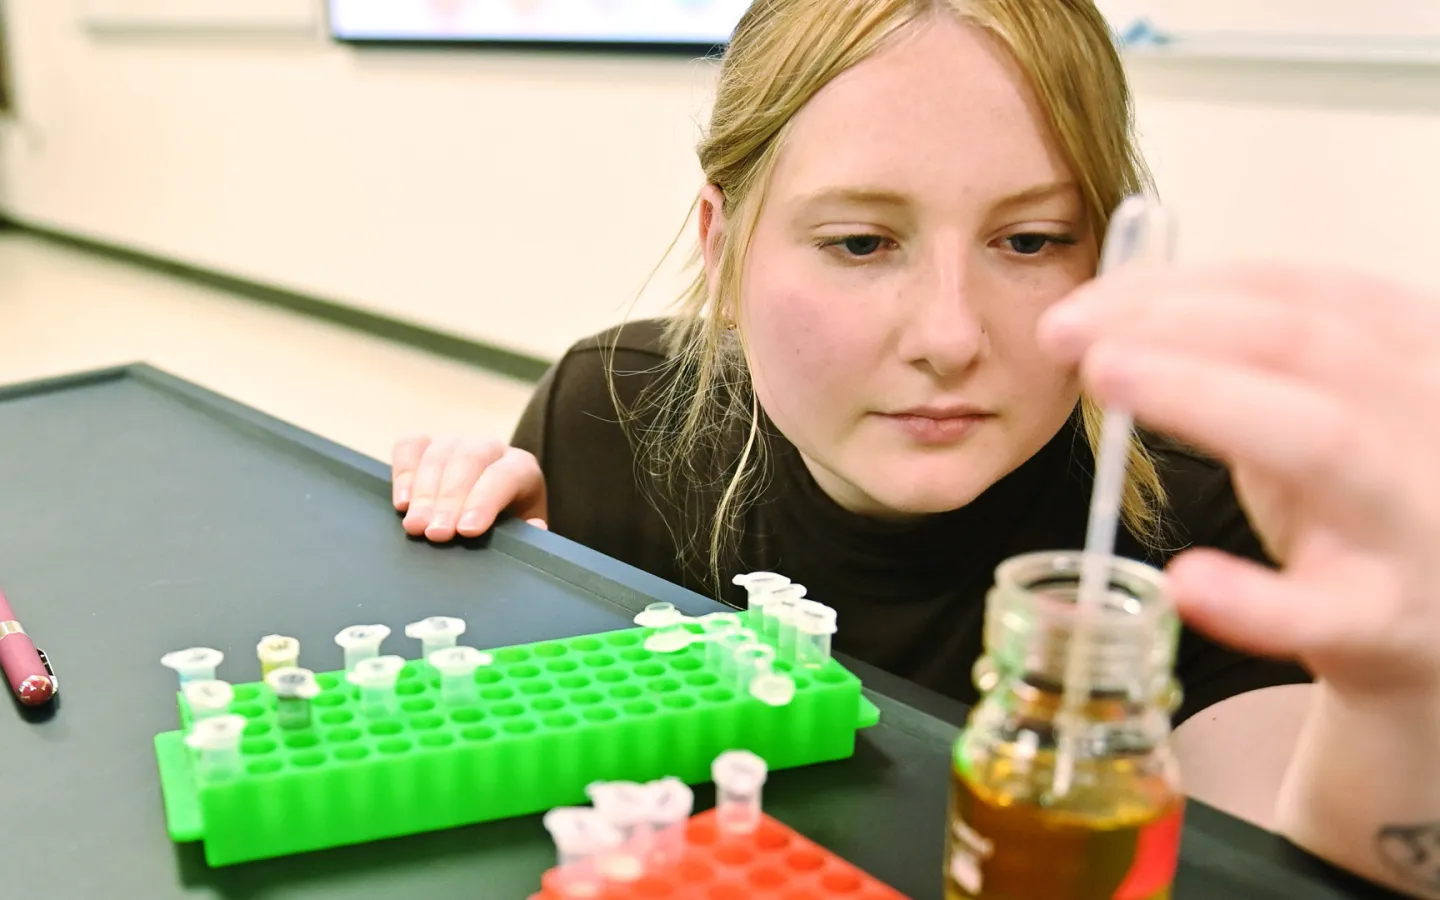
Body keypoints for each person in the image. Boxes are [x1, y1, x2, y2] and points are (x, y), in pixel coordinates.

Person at [391, 1, 1440, 895]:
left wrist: (1400, 700)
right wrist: (519, 593)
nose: (949, 337)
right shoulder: (608, 419)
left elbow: (1311, 857)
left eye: (1030, 241)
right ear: (723, 247)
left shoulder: (1196, 517)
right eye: (861, 242)